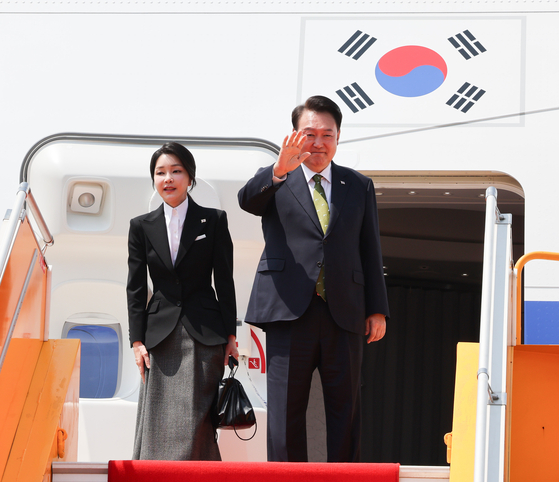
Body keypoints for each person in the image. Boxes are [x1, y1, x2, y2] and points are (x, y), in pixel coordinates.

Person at [238, 95, 389, 462]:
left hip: (345, 310)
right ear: (294, 136)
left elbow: (370, 248)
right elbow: (247, 201)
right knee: (285, 412)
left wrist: (377, 309)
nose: (319, 142)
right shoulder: (277, 178)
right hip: (289, 309)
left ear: (338, 137)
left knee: (345, 409)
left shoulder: (358, 185)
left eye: (327, 134)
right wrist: (278, 169)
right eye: (310, 133)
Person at [127, 141, 238, 461]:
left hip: (205, 332)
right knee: (158, 415)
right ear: (154, 181)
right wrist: (137, 341)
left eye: (176, 171)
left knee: (199, 418)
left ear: (190, 178)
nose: (168, 178)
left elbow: (225, 281)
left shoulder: (214, 220)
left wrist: (231, 336)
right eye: (160, 172)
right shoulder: (141, 226)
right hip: (159, 334)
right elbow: (135, 288)